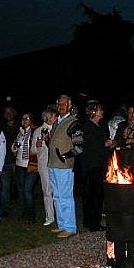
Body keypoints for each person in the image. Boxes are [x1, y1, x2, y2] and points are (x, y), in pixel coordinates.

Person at [47, 95, 83, 238]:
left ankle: (70, 227)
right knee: (57, 196)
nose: (61, 106)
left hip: (64, 166)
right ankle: (62, 224)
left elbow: (79, 146)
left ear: (69, 105)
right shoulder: (57, 122)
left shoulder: (74, 122)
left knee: (65, 196)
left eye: (64, 103)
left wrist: (66, 156)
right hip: (53, 164)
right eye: (59, 103)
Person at [81, 101, 114, 232]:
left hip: (98, 164)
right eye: (100, 110)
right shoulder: (88, 127)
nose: (102, 112)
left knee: (95, 194)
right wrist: (105, 144)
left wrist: (108, 144)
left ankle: (91, 221)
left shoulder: (100, 126)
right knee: (94, 194)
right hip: (93, 165)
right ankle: (93, 222)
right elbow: (91, 147)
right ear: (94, 112)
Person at [31, 105, 58, 226]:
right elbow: (33, 150)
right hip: (44, 165)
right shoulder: (38, 131)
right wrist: (38, 144)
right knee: (47, 191)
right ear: (47, 118)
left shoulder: (57, 129)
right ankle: (49, 216)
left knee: (58, 190)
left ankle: (60, 215)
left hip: (57, 164)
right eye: (54, 116)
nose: (56, 118)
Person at [11, 113, 39, 224]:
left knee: (27, 191)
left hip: (31, 165)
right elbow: (13, 149)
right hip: (19, 165)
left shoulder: (35, 132)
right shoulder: (20, 133)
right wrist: (15, 146)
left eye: (26, 118)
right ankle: (24, 213)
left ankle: (32, 216)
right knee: (21, 191)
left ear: (31, 120)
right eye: (22, 118)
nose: (24, 120)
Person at [0, 106, 20, 217]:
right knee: (5, 187)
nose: (8, 114)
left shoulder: (20, 127)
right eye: (6, 113)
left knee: (20, 186)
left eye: (10, 112)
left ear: (14, 113)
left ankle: (23, 208)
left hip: (19, 161)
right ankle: (5, 209)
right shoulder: (1, 128)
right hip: (6, 161)